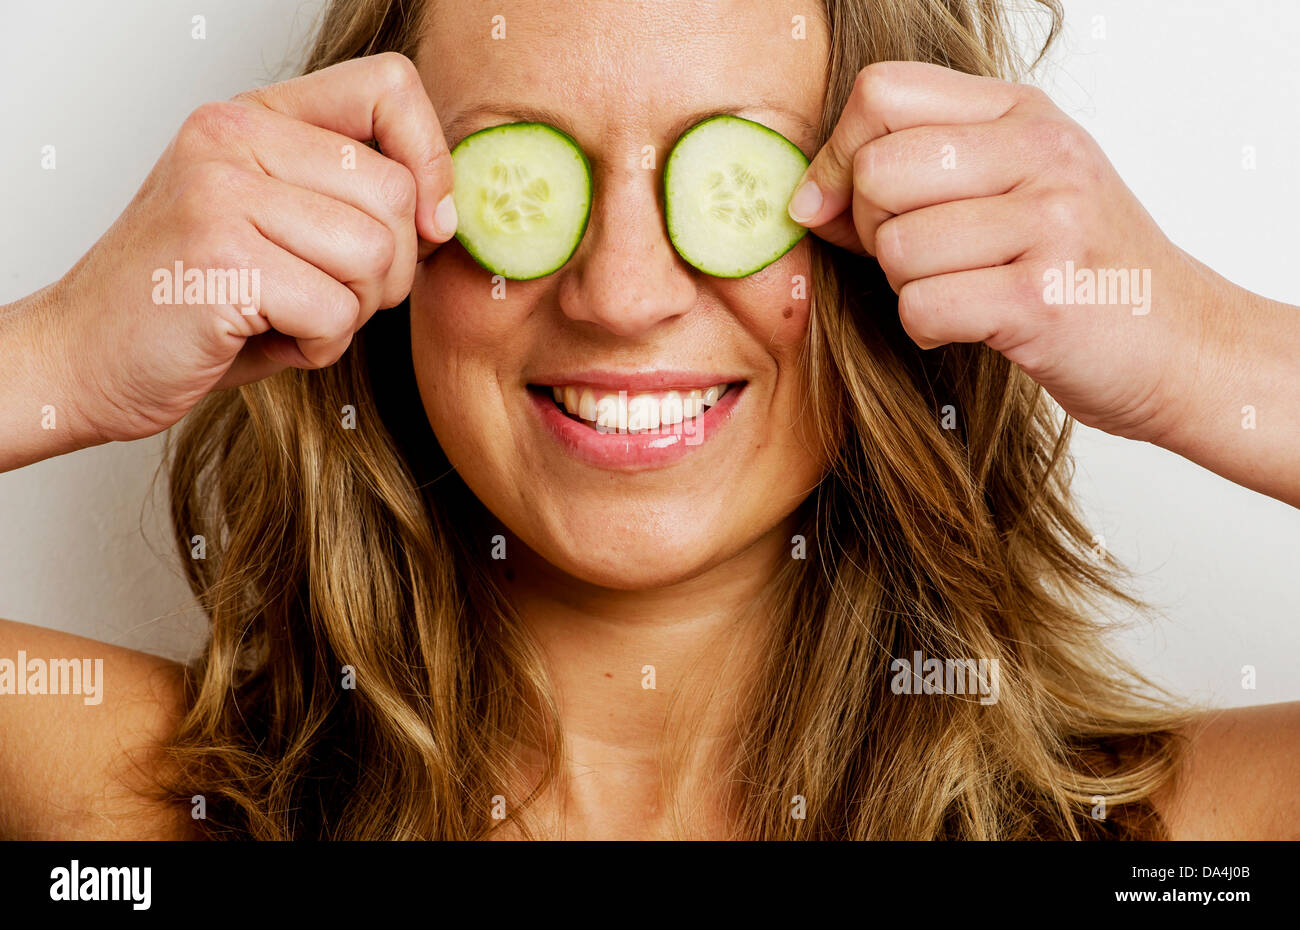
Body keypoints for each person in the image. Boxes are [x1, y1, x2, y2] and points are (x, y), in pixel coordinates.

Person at [0, 0, 1297, 840]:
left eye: (738, 177)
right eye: (524, 171)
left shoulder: (1162, 842)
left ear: (910, 242)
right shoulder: (151, 807)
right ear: (370, 226)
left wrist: (1198, 343)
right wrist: (62, 344)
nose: (621, 297)